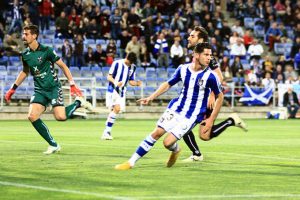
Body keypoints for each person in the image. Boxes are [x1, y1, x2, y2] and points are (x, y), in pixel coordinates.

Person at [114, 43, 247, 170]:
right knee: (156, 133)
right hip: (176, 108)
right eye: (206, 55)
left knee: (167, 143)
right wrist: (151, 97)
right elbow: (168, 84)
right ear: (196, 55)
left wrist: (211, 119)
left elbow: (220, 96)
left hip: (191, 116)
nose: (209, 58)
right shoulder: (183, 69)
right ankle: (130, 162)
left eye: (210, 55)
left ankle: (176, 150)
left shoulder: (210, 76)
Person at [4, 24, 93, 154]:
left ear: (34, 36)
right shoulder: (25, 54)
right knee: (32, 116)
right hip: (39, 90)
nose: (24, 36)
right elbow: (25, 72)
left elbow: (63, 66)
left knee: (61, 117)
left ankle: (78, 102)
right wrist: (13, 89)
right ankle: (53, 144)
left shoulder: (47, 50)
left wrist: (72, 84)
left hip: (53, 88)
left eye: (26, 34)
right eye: (23, 34)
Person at [182, 26, 247, 162]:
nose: (189, 37)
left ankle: (197, 154)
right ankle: (231, 121)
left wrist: (212, 94)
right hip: (196, 98)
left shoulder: (207, 55)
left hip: (204, 100)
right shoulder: (194, 52)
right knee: (202, 135)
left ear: (200, 39)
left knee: (184, 124)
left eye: (192, 36)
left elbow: (219, 76)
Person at [101, 52, 142, 140]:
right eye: (128, 62)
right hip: (113, 89)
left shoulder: (133, 67)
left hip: (122, 91)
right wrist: (116, 82)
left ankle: (106, 131)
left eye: (130, 63)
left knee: (115, 110)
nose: (129, 64)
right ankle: (106, 132)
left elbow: (131, 81)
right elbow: (109, 77)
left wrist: (137, 83)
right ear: (126, 57)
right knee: (116, 109)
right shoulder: (117, 63)